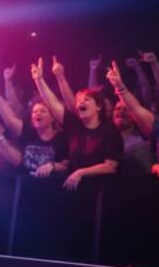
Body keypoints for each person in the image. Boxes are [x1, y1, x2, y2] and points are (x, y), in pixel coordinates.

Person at [31, 57, 123, 191]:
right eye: (79, 101)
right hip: (74, 188)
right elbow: (52, 102)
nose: (81, 103)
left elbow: (110, 166)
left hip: (102, 190)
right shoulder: (74, 125)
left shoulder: (109, 129)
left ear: (98, 107)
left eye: (86, 100)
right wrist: (39, 80)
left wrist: (81, 172)